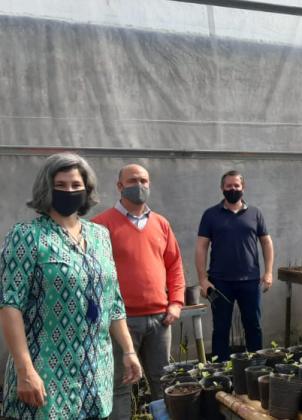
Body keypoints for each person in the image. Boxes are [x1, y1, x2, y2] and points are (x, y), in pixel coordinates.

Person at [0, 153, 142, 419]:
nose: (69, 191)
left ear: (86, 190)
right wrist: (25, 370)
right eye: (61, 185)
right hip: (45, 374)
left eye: (76, 185)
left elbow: (113, 302)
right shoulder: (27, 235)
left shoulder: (99, 235)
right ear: (47, 188)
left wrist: (128, 350)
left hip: (96, 372)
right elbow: (10, 304)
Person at [92, 164, 185, 419]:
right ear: (120, 186)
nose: (140, 185)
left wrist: (175, 302)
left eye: (144, 180)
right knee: (120, 385)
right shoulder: (100, 226)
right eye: (133, 180)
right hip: (120, 321)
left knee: (163, 380)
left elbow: (174, 265)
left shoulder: (161, 224)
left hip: (160, 319)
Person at [195, 170, 273, 360]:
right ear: (222, 188)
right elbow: (201, 247)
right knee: (221, 328)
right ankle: (219, 370)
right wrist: (203, 280)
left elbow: (266, 242)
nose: (233, 189)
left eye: (236, 186)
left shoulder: (255, 213)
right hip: (220, 283)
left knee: (253, 325)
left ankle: (256, 366)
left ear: (243, 188)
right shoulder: (210, 215)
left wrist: (269, 272)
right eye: (229, 186)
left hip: (250, 281)